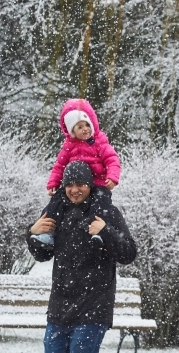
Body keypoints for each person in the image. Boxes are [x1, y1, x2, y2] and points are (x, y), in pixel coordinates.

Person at [27, 160, 137, 353]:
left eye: (81, 184)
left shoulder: (106, 212)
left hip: (94, 307)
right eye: (70, 185)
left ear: (90, 184)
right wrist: (32, 233)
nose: (75, 190)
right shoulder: (57, 211)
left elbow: (129, 252)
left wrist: (106, 232)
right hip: (60, 306)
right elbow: (42, 253)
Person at [32, 98, 121, 249]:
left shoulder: (99, 142)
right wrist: (53, 183)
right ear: (72, 131)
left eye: (87, 125)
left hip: (98, 184)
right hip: (74, 182)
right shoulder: (68, 146)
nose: (85, 129)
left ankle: (98, 233)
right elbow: (59, 166)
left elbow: (112, 160)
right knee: (55, 203)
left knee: (100, 205)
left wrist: (112, 177)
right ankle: (48, 233)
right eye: (79, 127)